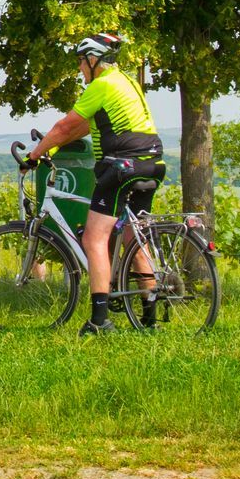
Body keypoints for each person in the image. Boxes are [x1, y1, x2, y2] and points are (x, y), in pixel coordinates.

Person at [24, 33, 164, 335]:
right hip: (151, 163)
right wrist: (54, 148)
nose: (79, 69)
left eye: (80, 62)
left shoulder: (101, 85)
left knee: (93, 238)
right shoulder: (126, 82)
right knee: (133, 239)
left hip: (121, 166)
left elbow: (64, 125)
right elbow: (85, 126)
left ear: (92, 59)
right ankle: (150, 321)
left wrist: (35, 154)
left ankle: (99, 321)